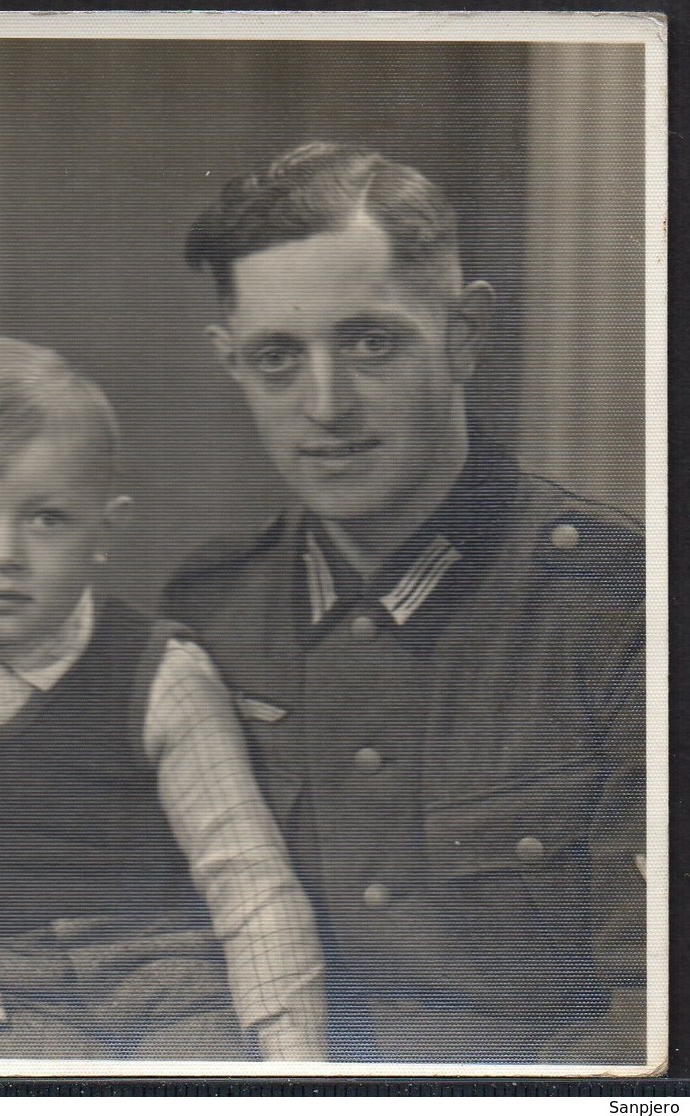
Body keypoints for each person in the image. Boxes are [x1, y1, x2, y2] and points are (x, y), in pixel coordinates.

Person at [160, 141, 646, 1063]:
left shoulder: (617, 612)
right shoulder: (212, 615)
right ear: (230, 365)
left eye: (370, 341)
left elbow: (650, 1025)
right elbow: (151, 944)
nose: (327, 404)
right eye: (276, 357)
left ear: (466, 334)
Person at [0, 337, 327, 1061]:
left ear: (104, 531)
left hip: (172, 981)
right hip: (6, 1000)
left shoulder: (161, 675)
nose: (3, 552)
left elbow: (247, 877)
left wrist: (294, 1057)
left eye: (46, 518)